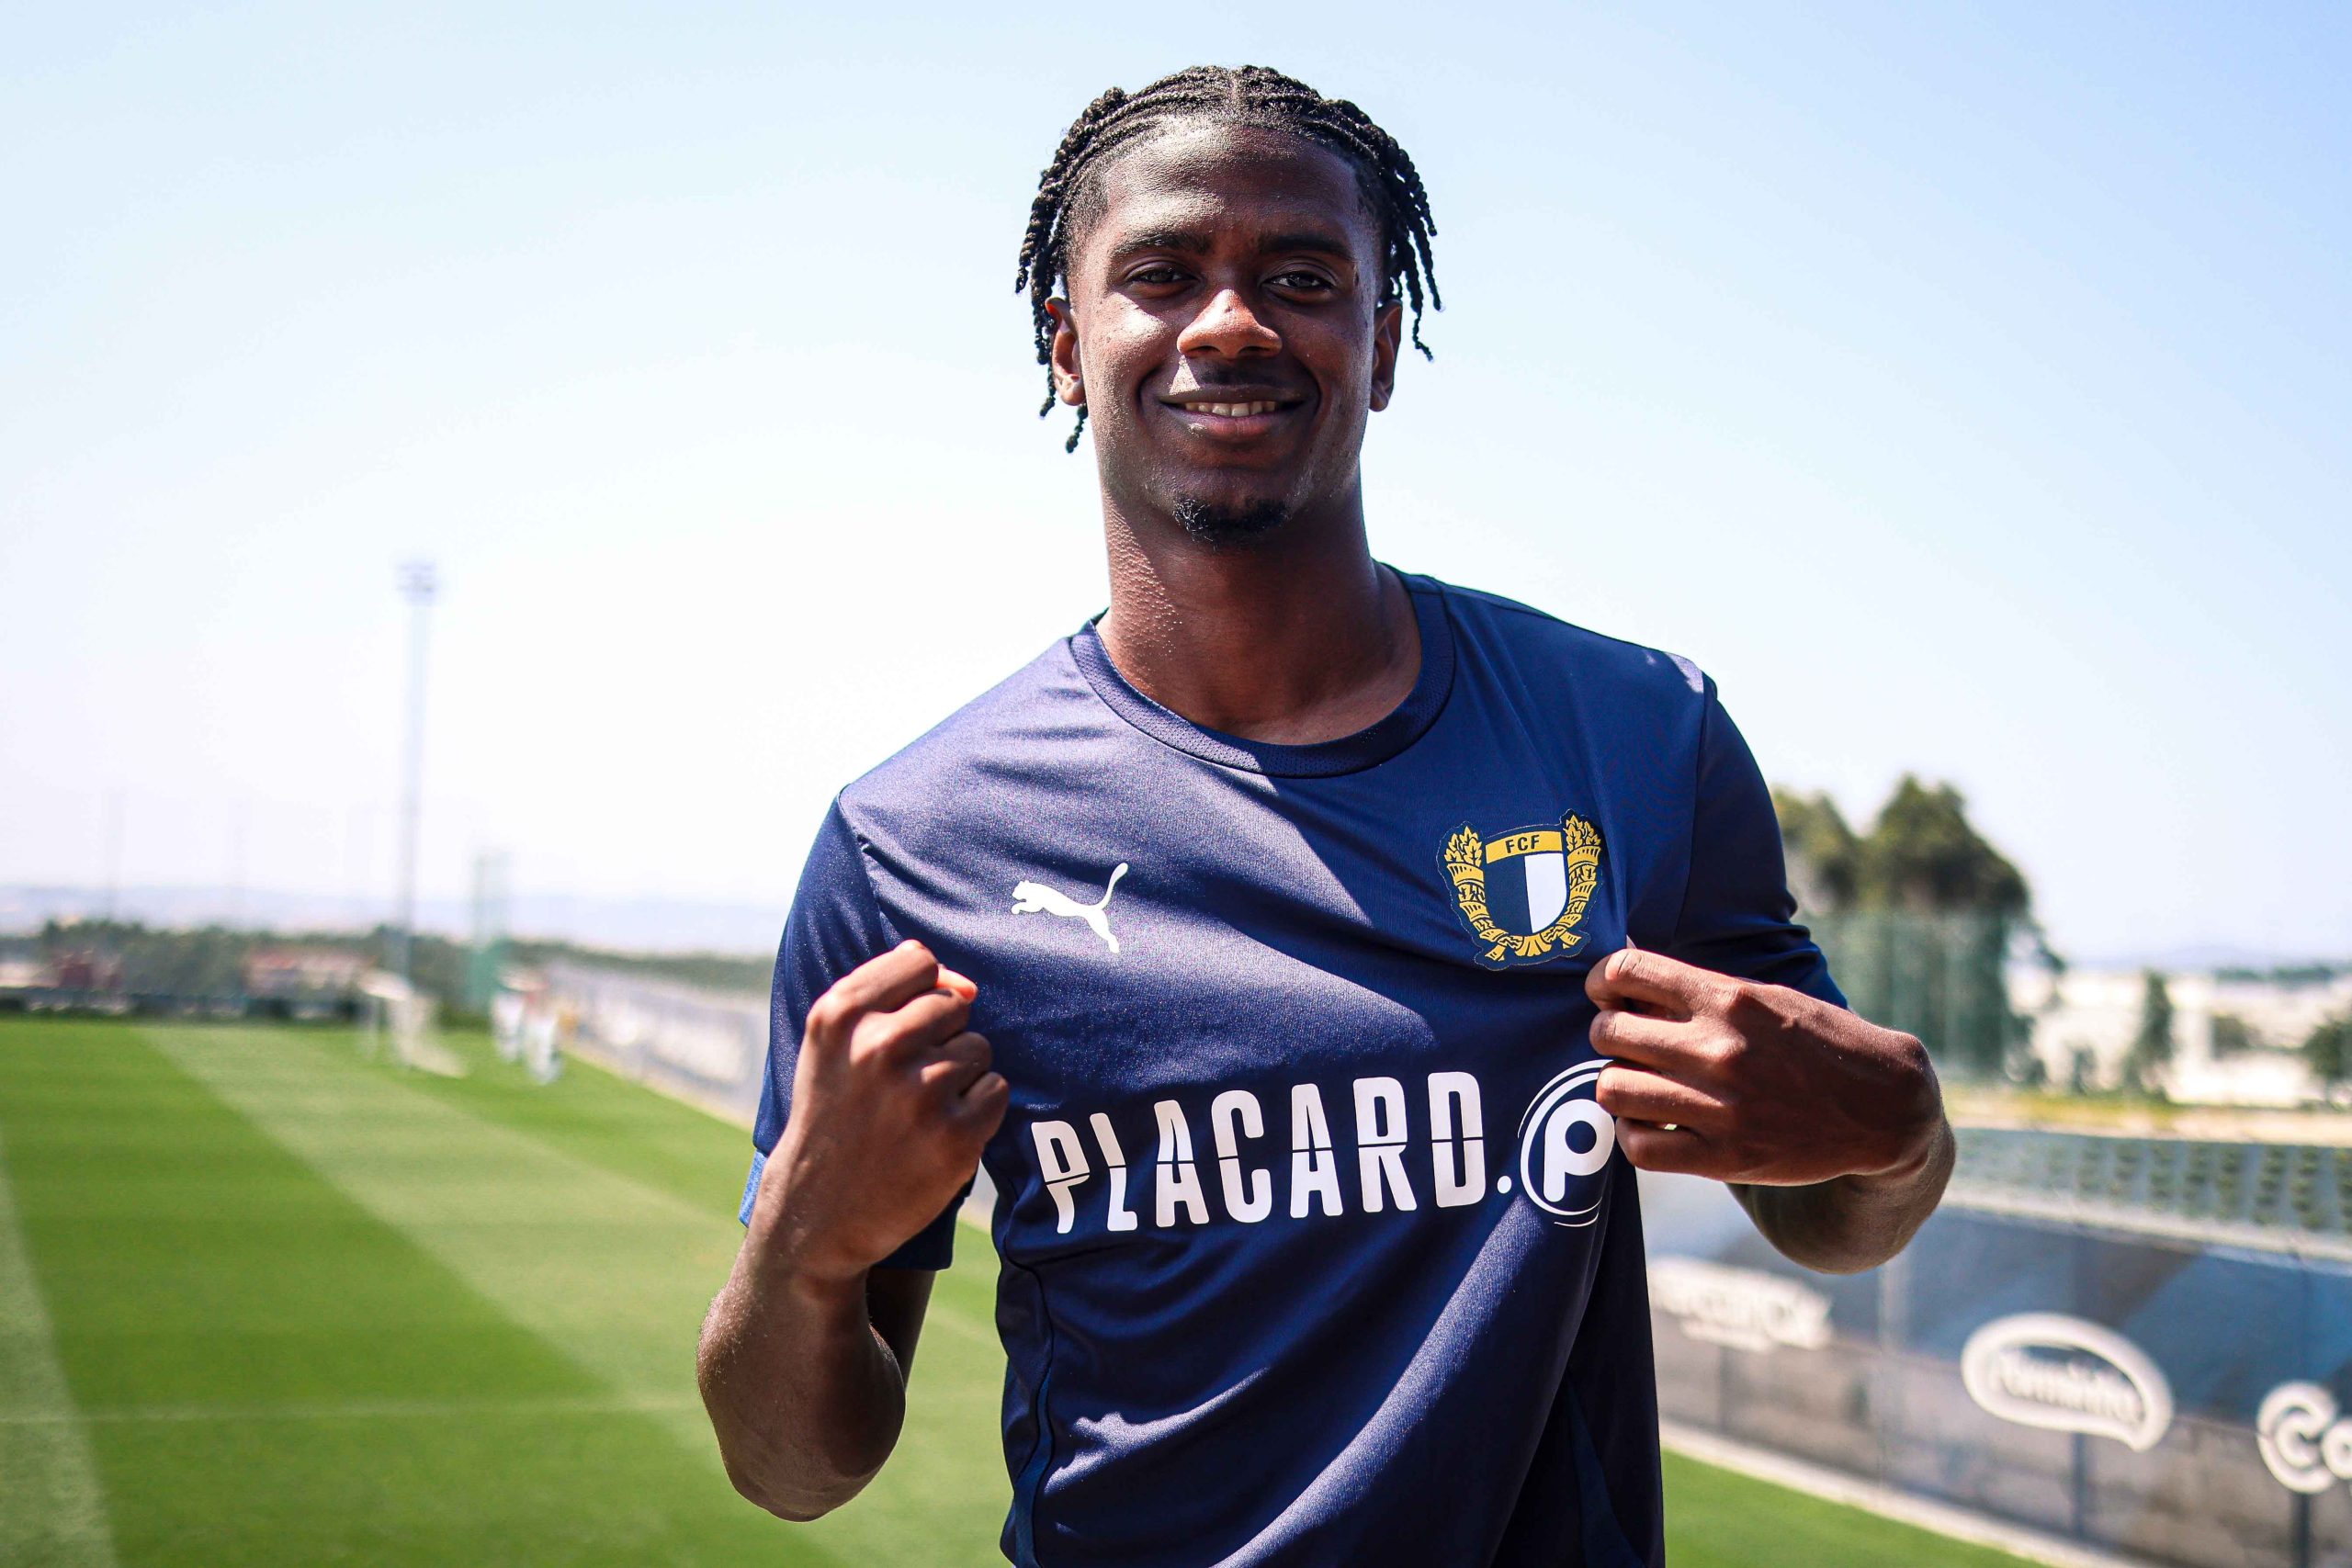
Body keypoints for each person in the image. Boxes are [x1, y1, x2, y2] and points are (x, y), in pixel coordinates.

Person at [695, 64, 1953, 1568]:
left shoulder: (1632, 737)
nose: (1232, 322)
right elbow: (791, 1469)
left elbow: (1829, 1209)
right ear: (1068, 346)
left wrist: (1901, 1144)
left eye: (1303, 278)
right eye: (1163, 275)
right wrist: (802, 1250)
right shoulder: (913, 847)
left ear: (1383, 346)